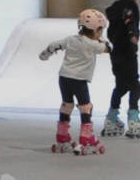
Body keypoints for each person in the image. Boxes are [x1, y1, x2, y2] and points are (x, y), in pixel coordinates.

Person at [40, 9, 111, 156]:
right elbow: (109, 48)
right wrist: (103, 41)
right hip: (79, 80)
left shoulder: (71, 39)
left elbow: (54, 45)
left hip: (64, 78)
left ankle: (62, 138)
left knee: (67, 105)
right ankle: (86, 139)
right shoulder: (93, 44)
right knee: (85, 107)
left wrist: (45, 54)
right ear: (96, 29)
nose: (101, 33)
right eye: (101, 30)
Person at [101, 0, 140, 139]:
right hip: (128, 52)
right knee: (136, 86)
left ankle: (111, 118)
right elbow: (129, 20)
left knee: (121, 86)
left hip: (116, 53)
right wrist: (133, 36)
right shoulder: (130, 5)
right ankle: (133, 118)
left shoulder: (114, 7)